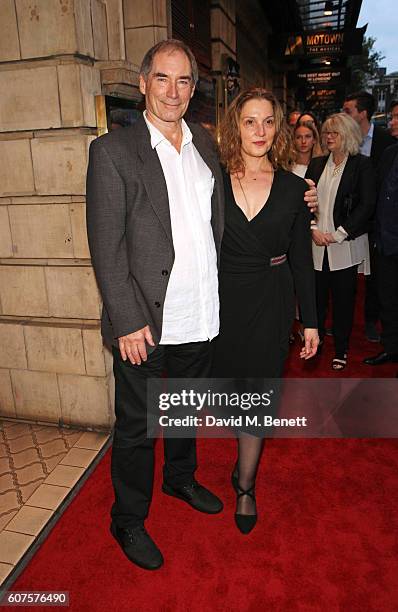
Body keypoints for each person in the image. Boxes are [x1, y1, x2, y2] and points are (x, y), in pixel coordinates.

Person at [86, 39, 225, 571]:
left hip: (199, 312)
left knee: (186, 407)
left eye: (184, 80)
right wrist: (125, 319)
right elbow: (106, 244)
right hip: (144, 320)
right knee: (139, 426)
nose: (173, 90)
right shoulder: (113, 152)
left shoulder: (205, 145)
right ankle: (127, 518)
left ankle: (181, 479)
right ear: (143, 84)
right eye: (162, 78)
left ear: (194, 88)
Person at [212, 88, 319, 534]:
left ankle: (245, 485)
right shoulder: (211, 179)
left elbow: (301, 260)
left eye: (268, 121)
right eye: (250, 121)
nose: (259, 131)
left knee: (258, 397)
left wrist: (310, 319)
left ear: (278, 128)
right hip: (221, 303)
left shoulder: (295, 188)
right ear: (235, 127)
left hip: (272, 302)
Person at [306, 113, 376, 370]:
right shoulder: (316, 164)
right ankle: (318, 342)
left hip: (344, 245)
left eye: (334, 133)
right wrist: (312, 227)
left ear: (348, 135)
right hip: (316, 245)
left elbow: (366, 205)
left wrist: (338, 234)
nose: (328, 137)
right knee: (317, 299)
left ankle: (342, 350)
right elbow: (305, 201)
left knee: (344, 301)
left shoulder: (362, 165)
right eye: (326, 133)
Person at [343, 91, 395, 342]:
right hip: (349, 218)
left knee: (376, 277)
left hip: (377, 222)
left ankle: (371, 321)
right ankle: (344, 322)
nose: (345, 115)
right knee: (346, 275)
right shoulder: (343, 140)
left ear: (362, 113)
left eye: (348, 110)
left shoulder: (386, 141)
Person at [363, 141, 398, 366]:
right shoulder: (389, 152)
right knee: (388, 300)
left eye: (397, 117)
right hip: (385, 242)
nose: (393, 121)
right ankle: (391, 348)